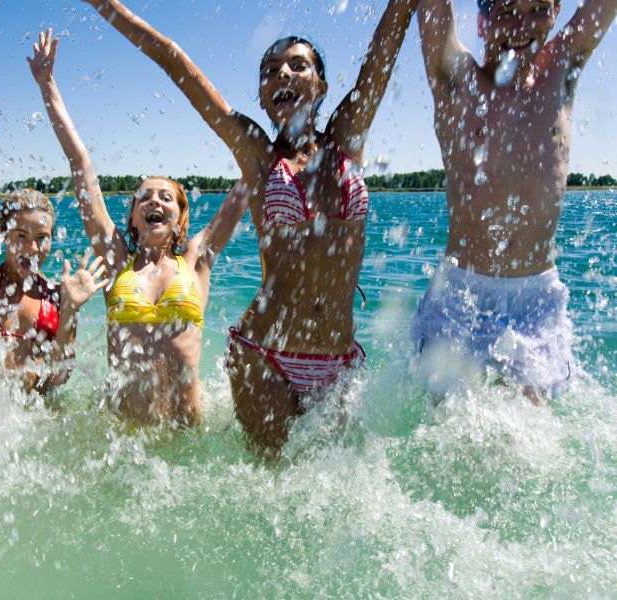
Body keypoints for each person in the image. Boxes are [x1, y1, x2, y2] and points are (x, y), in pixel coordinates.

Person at [84, 0, 418, 453]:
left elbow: (384, 51)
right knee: (274, 486)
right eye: (270, 71)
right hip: (266, 355)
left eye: (298, 65)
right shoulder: (259, 157)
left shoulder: (347, 135)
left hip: (338, 358)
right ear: (262, 98)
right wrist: (106, 6)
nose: (283, 75)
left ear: (321, 85)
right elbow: (174, 61)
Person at [28, 29, 249, 426]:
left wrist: (275, 142)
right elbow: (81, 166)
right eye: (144, 197)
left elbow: (247, 182)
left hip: (187, 440)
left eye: (166, 197)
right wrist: (48, 87)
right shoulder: (117, 263)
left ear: (180, 217)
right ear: (132, 216)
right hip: (127, 442)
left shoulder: (196, 261)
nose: (154, 202)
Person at [411, 0, 616, 403]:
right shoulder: (458, 79)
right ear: (482, 23)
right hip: (460, 294)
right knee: (447, 430)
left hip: (535, 299)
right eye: (505, 12)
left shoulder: (561, 67)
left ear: (556, 11)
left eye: (537, 8)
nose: (522, 25)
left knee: (532, 431)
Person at [0, 104, 108, 392]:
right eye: (20, 235)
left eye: (42, 237)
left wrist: (70, 310)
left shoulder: (57, 295)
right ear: (1, 234)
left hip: (36, 413)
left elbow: (59, 377)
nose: (32, 247)